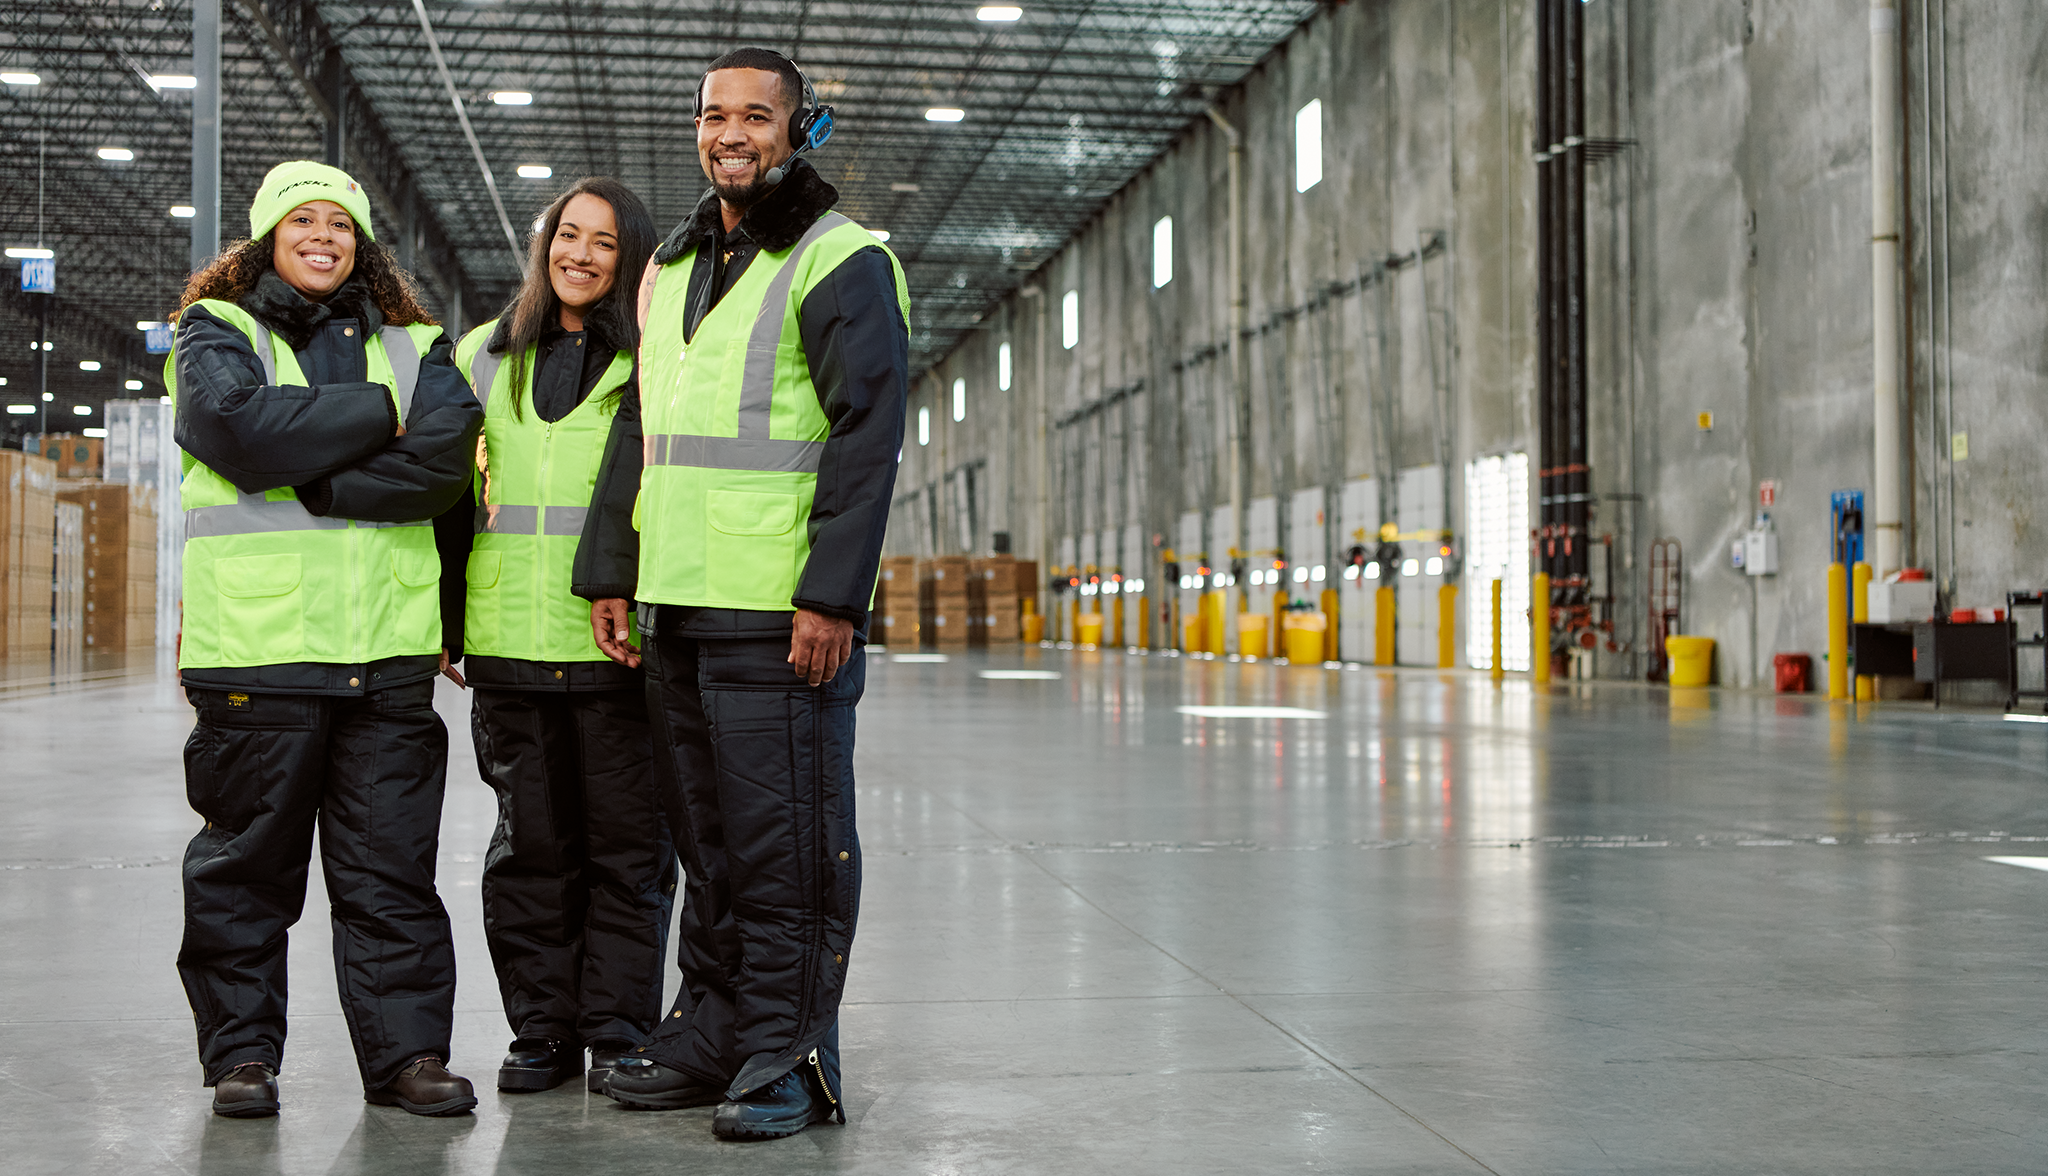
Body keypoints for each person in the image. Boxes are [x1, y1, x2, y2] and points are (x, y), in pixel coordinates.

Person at [579, 47, 909, 1140]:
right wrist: (612, 572)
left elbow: (867, 431)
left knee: (786, 847)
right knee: (710, 846)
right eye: (714, 114)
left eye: (757, 116)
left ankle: (791, 1055)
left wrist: (833, 597)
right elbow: (642, 424)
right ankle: (715, 1032)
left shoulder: (839, 258)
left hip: (778, 612)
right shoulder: (670, 267)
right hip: (677, 603)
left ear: (798, 129)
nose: (732, 133)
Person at [168, 160, 483, 1118]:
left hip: (387, 656)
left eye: (340, 223)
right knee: (244, 874)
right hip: (257, 651)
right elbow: (236, 432)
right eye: (301, 220)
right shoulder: (217, 330)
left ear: (362, 244)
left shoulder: (417, 344)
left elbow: (442, 469)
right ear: (268, 238)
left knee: (392, 877)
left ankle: (407, 1059)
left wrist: (311, 472)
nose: (322, 236)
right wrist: (380, 415)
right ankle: (241, 1059)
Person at [446, 177, 674, 1095]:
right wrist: (444, 622)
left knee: (626, 851)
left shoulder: (654, 358)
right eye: (567, 235)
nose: (580, 254)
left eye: (604, 242)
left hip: (615, 646)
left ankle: (617, 1027)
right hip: (506, 639)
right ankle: (541, 1028)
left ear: (632, 259)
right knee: (530, 849)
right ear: (543, 249)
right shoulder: (482, 354)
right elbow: (448, 499)